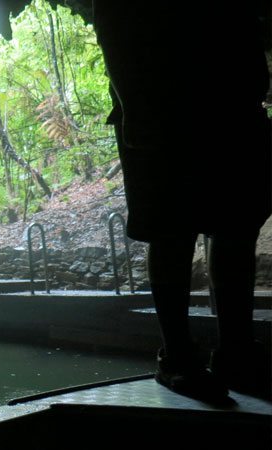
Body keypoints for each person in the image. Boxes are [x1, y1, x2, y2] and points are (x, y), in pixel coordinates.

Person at [92, 2, 271, 401]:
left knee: (236, 227)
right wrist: (135, 107)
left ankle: (235, 353)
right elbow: (114, 23)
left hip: (230, 104)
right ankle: (178, 357)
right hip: (164, 111)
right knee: (172, 230)